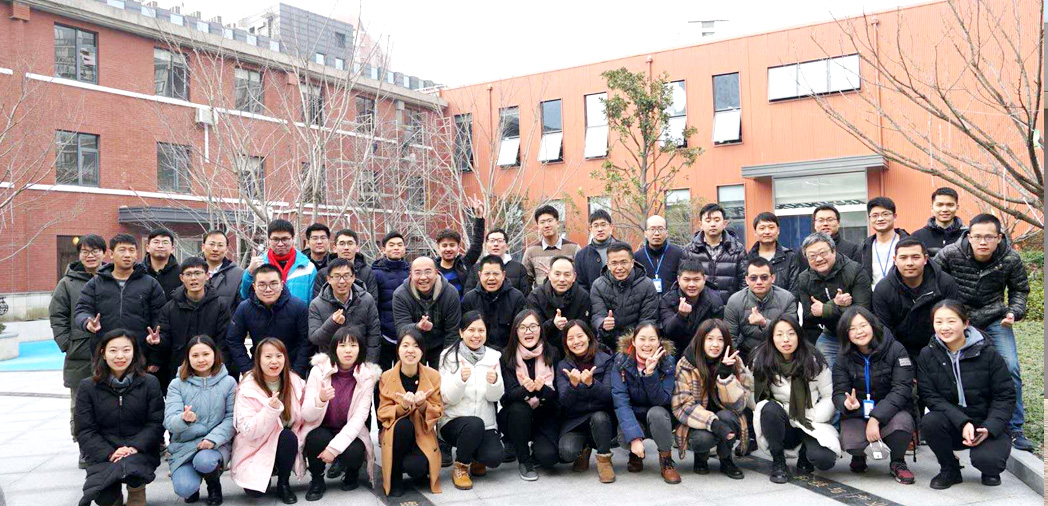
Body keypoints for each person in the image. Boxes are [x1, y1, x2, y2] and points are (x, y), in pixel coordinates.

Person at [932, 214, 1032, 451]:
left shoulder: (1010, 258)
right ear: (969, 236)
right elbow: (932, 280)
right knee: (944, 367)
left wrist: (1014, 312)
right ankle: (947, 422)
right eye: (977, 237)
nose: (983, 242)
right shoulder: (951, 253)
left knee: (1010, 366)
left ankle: (1015, 427)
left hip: (995, 317)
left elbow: (1019, 289)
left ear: (999, 238)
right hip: (958, 317)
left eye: (989, 237)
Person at [918, 301, 1016, 489]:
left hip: (986, 421)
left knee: (989, 461)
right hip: (954, 422)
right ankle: (950, 469)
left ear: (965, 323)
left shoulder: (988, 353)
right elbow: (930, 396)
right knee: (930, 422)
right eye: (939, 322)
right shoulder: (927, 355)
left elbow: (1005, 396)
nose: (945, 327)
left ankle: (989, 469)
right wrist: (962, 422)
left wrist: (989, 427)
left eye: (951, 321)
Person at [75, 329, 164, 506]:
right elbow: (84, 430)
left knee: (133, 472)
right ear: (103, 353)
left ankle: (136, 490)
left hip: (138, 450)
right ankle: (113, 491)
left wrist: (134, 447)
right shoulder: (87, 387)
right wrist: (109, 453)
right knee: (105, 498)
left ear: (134, 352)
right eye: (113, 350)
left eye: (126, 350)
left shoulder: (149, 383)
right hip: (104, 452)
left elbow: (155, 423)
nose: (120, 356)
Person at [231, 338, 322, 504]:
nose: (274, 361)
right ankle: (271, 467)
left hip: (285, 441)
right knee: (255, 492)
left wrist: (319, 401)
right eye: (268, 356)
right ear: (258, 359)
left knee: (287, 436)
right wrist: (270, 410)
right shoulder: (247, 387)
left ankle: (283, 483)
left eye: (279, 356)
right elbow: (249, 430)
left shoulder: (295, 382)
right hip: (257, 443)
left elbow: (306, 415)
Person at [832, 307, 916, 484]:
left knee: (902, 425)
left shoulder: (895, 349)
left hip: (892, 412)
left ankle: (898, 461)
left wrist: (875, 418)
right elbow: (838, 392)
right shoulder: (843, 356)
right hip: (859, 412)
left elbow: (902, 389)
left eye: (863, 325)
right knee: (851, 442)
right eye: (852, 328)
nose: (859, 332)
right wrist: (846, 403)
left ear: (873, 325)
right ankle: (859, 455)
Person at [752, 316, 839, 484]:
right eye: (779, 334)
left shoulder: (814, 360)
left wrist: (813, 415)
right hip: (781, 422)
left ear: (799, 335)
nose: (786, 339)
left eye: (791, 333)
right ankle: (778, 461)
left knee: (824, 460)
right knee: (768, 408)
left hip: (809, 420)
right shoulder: (762, 360)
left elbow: (829, 395)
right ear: (772, 338)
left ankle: (805, 454)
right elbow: (753, 394)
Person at [301, 327, 382, 500]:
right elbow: (307, 415)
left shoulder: (367, 376)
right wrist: (320, 400)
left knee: (355, 452)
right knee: (315, 439)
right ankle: (317, 480)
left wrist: (333, 449)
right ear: (334, 348)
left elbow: (359, 418)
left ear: (360, 349)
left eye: (353, 345)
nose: (348, 350)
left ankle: (352, 472)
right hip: (322, 427)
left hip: (349, 429)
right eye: (342, 345)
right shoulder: (318, 371)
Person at [50, 233, 105, 468]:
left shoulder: (112, 278)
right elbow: (57, 316)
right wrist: (67, 344)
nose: (90, 256)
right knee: (81, 404)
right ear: (79, 255)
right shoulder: (67, 283)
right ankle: (85, 447)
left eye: (95, 251)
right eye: (85, 252)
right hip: (80, 353)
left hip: (112, 351)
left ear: (104, 253)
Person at [74, 234, 167, 370]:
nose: (127, 255)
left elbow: (160, 319)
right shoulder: (95, 283)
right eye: (122, 250)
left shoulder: (150, 283)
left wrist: (155, 356)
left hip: (139, 354)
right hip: (105, 355)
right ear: (111, 254)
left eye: (131, 250)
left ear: (136, 254)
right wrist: (87, 322)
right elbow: (82, 309)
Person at [672, 319, 750, 478]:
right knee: (702, 439)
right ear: (701, 340)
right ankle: (701, 458)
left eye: (720, 339)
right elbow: (682, 406)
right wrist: (714, 424)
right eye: (710, 339)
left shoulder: (735, 361)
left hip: (725, 416)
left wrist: (725, 376)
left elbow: (739, 405)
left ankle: (726, 459)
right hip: (697, 420)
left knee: (728, 417)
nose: (715, 344)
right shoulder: (686, 364)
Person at [164, 335, 236, 505]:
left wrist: (213, 439)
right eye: (195, 355)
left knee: (205, 461)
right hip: (184, 445)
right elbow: (169, 421)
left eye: (206, 354)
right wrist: (183, 419)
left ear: (214, 355)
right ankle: (192, 484)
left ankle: (213, 484)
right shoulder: (177, 384)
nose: (201, 359)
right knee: (185, 489)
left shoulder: (228, 382)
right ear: (188, 358)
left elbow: (231, 417)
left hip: (215, 444)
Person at [438, 312, 506, 490]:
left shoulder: (493, 357)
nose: (476, 335)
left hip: (486, 424)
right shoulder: (448, 356)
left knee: (494, 457)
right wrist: (460, 380)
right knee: (474, 425)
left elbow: (495, 397)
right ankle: (461, 466)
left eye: (481, 330)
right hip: (453, 422)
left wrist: (494, 382)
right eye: (471, 330)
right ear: (461, 332)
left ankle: (476, 457)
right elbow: (446, 397)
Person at [611, 323, 681, 484]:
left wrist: (650, 374)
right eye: (642, 339)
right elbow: (621, 401)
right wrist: (634, 438)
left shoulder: (667, 361)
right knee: (624, 437)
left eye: (652, 339)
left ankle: (666, 459)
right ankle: (635, 453)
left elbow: (663, 400)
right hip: (634, 415)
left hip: (658, 415)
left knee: (657, 412)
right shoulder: (621, 361)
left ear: (659, 342)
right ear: (633, 341)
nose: (647, 344)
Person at [378, 329, 444, 497]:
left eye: (416, 346)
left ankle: (418, 467)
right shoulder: (386, 376)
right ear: (398, 350)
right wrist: (403, 407)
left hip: (422, 432)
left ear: (422, 351)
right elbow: (382, 412)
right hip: (397, 434)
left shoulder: (433, 376)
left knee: (416, 468)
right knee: (403, 426)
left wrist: (422, 405)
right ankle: (395, 476)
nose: (410, 350)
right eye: (405, 345)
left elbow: (437, 411)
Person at [150, 257, 233, 390]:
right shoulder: (170, 308)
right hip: (180, 372)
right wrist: (158, 342)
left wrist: (218, 368)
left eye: (198, 273)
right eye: (188, 274)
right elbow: (165, 340)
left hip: (212, 373)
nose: (193, 278)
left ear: (207, 275)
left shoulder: (220, 306)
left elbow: (223, 342)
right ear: (182, 278)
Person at [873, 238, 960, 360]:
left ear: (925, 259)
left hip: (941, 348)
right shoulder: (883, 289)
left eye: (915, 257)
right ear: (895, 260)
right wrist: (902, 359)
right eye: (903, 258)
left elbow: (954, 321)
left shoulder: (944, 283)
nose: (909, 263)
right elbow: (886, 332)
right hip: (899, 351)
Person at [794, 232, 871, 369]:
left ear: (833, 251)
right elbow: (809, 315)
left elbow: (862, 311)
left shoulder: (855, 271)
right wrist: (835, 303)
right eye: (812, 256)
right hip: (830, 334)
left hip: (858, 331)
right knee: (823, 370)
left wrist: (825, 309)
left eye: (823, 253)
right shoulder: (804, 278)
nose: (818, 259)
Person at [500, 309, 561, 481]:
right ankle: (524, 459)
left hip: (543, 414)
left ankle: (536, 453)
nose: (528, 331)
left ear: (541, 328)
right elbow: (506, 397)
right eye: (523, 327)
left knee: (549, 457)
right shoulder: (506, 355)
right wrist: (526, 390)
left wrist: (541, 390)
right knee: (519, 409)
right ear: (515, 331)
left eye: (533, 326)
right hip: (515, 417)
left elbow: (557, 395)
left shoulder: (552, 352)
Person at [555, 320, 616, 483]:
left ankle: (604, 459)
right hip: (575, 421)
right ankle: (585, 448)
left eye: (580, 336)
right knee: (567, 451)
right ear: (566, 343)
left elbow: (609, 397)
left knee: (599, 417)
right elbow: (564, 402)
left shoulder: (606, 360)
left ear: (589, 337)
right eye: (570, 338)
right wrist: (573, 385)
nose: (576, 341)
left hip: (601, 419)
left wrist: (591, 384)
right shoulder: (562, 366)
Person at [228, 264, 311, 377]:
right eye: (262, 285)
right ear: (254, 286)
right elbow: (234, 340)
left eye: (273, 284)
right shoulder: (244, 308)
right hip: (258, 369)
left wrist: (297, 372)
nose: (268, 289)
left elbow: (306, 341)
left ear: (282, 284)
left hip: (291, 368)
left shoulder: (298, 307)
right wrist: (247, 369)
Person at [308, 258, 381, 364]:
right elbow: (315, 338)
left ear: (353, 277)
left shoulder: (367, 299)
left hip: (360, 361)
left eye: (346, 276)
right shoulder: (317, 304)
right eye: (337, 276)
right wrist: (332, 323)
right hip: (331, 363)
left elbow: (374, 335)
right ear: (329, 279)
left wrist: (370, 364)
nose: (342, 281)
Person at [725, 257, 799, 362]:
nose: (759, 282)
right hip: (747, 353)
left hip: (779, 352)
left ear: (773, 278)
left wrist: (764, 323)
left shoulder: (787, 298)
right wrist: (736, 361)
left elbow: (792, 332)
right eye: (753, 278)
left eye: (764, 277)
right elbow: (730, 336)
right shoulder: (735, 301)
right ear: (746, 280)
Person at [393, 256, 462, 367]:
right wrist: (418, 326)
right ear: (410, 275)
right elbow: (401, 329)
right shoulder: (400, 295)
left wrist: (446, 359)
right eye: (418, 273)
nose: (423, 277)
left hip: (441, 345)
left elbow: (452, 331)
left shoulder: (450, 293)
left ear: (436, 272)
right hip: (412, 346)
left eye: (428, 272)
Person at [590, 242, 660, 350]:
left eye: (624, 262)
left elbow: (648, 320)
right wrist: (603, 323)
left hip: (638, 345)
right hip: (607, 342)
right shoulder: (598, 285)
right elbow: (597, 315)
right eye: (614, 263)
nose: (619, 268)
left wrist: (634, 344)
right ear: (608, 265)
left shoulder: (647, 285)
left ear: (632, 263)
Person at [239, 219, 318, 305]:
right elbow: (244, 296)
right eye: (275, 239)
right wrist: (249, 272)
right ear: (269, 240)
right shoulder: (259, 264)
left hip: (298, 313)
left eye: (285, 239)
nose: (280, 244)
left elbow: (313, 304)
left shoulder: (308, 267)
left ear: (292, 238)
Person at [683, 203, 747, 302]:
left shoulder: (737, 249)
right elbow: (684, 281)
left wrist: (737, 306)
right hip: (699, 307)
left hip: (729, 306)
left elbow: (744, 282)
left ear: (724, 223)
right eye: (708, 221)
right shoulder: (690, 250)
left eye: (717, 220)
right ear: (700, 224)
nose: (713, 224)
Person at [527, 255, 591, 353]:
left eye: (567, 275)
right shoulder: (535, 296)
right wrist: (553, 324)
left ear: (574, 277)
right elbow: (533, 331)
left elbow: (585, 329)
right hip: (544, 349)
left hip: (574, 349)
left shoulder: (582, 296)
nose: (562, 279)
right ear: (549, 275)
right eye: (557, 274)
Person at [462, 255, 527, 351]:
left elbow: (521, 331)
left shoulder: (516, 297)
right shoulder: (470, 299)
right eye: (487, 274)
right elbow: (465, 332)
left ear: (503, 275)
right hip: (479, 352)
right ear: (479, 275)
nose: (491, 278)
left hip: (510, 353)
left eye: (496, 274)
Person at [658, 259, 724, 353]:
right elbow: (669, 334)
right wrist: (681, 316)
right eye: (687, 280)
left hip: (705, 350)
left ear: (704, 279)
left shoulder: (715, 300)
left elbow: (718, 333)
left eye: (696, 280)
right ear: (679, 280)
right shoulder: (668, 300)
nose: (692, 284)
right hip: (677, 350)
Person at [373, 231, 411, 369]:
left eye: (400, 245)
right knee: (385, 374)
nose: (396, 248)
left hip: (409, 333)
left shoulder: (412, 271)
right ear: (383, 249)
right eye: (392, 245)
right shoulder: (375, 273)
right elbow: (374, 304)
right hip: (385, 335)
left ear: (404, 248)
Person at [435, 197, 486, 299]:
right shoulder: (433, 268)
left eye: (452, 245)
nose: (448, 249)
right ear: (438, 247)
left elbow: (477, 245)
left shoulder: (464, 263)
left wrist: (479, 218)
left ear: (458, 247)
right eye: (444, 245)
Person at [313, 229, 380, 303]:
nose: (346, 248)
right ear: (334, 248)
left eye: (350, 243)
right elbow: (319, 304)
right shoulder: (323, 273)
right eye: (342, 244)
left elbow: (372, 303)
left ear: (357, 248)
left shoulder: (367, 272)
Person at [522, 205, 580, 289]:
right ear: (538, 226)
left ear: (558, 223)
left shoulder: (573, 249)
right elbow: (526, 281)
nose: (546, 225)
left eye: (550, 221)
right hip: (541, 296)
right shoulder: (531, 252)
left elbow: (580, 277)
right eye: (542, 222)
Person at [464, 228, 531, 296]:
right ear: (486, 245)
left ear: (507, 246)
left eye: (500, 241)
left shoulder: (519, 268)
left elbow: (525, 296)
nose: (496, 244)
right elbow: (469, 295)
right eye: (492, 241)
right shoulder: (476, 268)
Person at [861, 197, 910, 288]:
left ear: (894, 216)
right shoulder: (864, 247)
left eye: (885, 214)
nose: (880, 219)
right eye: (875, 215)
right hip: (873, 296)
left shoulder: (909, 244)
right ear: (869, 219)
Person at [747, 212, 800, 290]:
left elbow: (794, 289)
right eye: (762, 228)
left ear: (778, 230)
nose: (767, 232)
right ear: (755, 232)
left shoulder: (790, 257)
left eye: (771, 227)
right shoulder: (747, 258)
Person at [910, 187, 966, 257]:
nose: (945, 209)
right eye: (940, 205)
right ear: (932, 208)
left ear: (957, 207)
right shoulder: (917, 237)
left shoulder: (967, 235)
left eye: (950, 205)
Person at [635, 215, 684, 294]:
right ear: (645, 233)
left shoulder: (678, 254)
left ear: (667, 233)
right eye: (652, 229)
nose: (657, 233)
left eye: (661, 229)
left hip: (672, 301)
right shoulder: (637, 257)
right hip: (646, 301)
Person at [575, 209, 619, 292]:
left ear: (611, 227)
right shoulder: (582, 255)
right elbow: (580, 284)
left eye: (603, 225)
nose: (600, 229)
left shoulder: (623, 249)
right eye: (596, 226)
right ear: (590, 229)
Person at [200, 229, 243, 309]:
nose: (215, 249)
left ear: (226, 249)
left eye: (220, 245)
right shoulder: (192, 272)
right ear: (203, 247)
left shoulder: (238, 274)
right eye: (212, 244)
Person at [145, 228, 181, 297]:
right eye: (156, 242)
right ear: (147, 247)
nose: (160, 246)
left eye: (165, 242)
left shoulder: (181, 273)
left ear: (172, 249)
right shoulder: (137, 272)